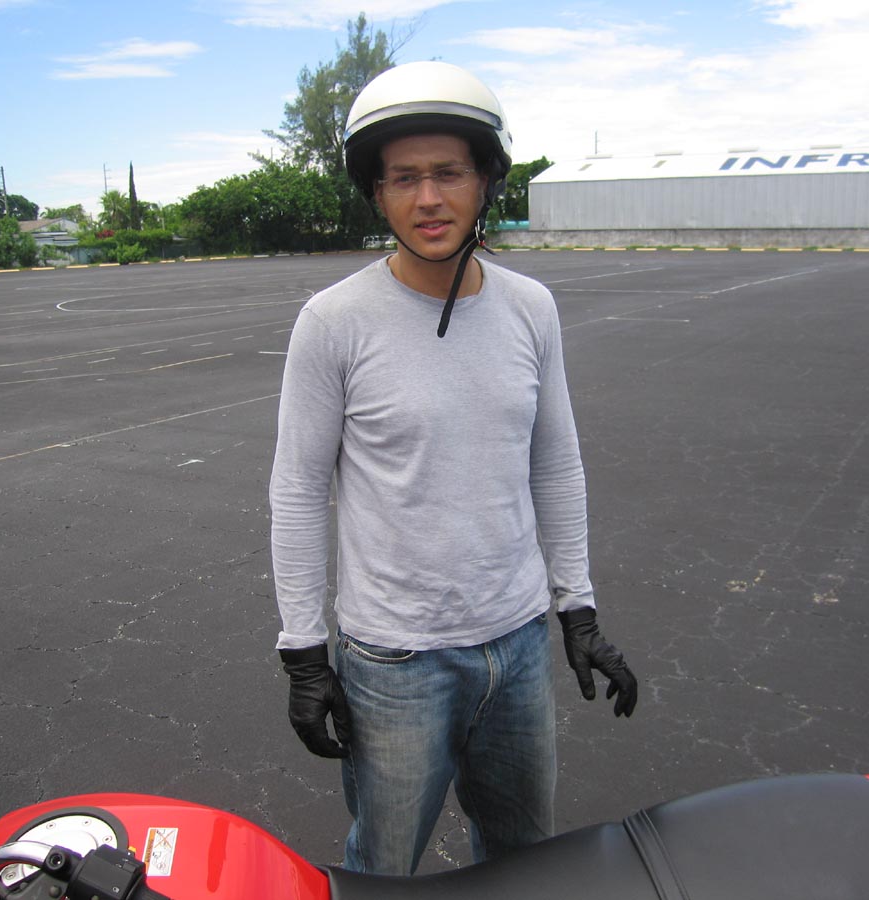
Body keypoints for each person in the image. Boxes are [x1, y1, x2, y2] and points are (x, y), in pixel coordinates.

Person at [268, 60, 637, 877]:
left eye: (448, 173)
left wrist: (576, 608)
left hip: (518, 644)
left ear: (487, 181)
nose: (427, 198)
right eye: (403, 178)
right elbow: (296, 491)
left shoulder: (531, 308)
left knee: (523, 860)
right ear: (376, 193)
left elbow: (555, 463)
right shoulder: (333, 323)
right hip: (394, 662)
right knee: (383, 866)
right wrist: (304, 652)